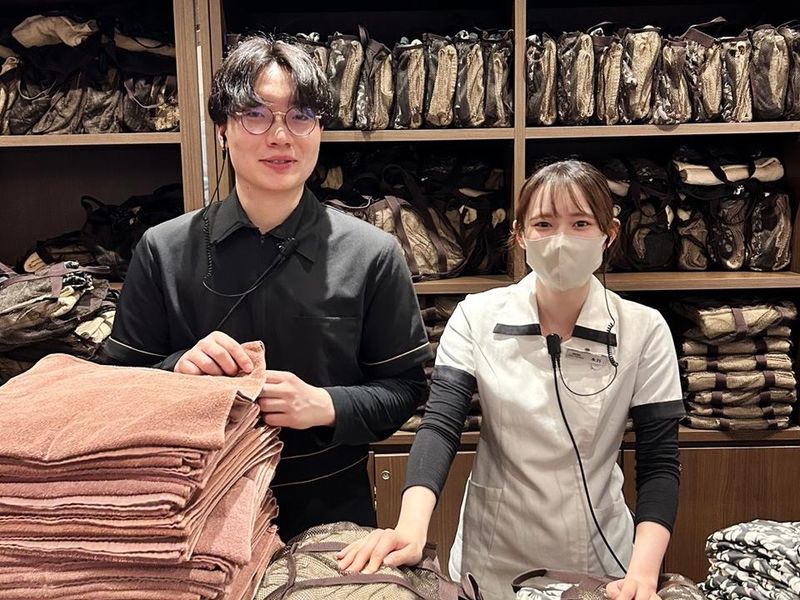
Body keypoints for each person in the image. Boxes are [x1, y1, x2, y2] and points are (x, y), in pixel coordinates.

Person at [100, 36, 432, 540]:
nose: (280, 136)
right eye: (255, 115)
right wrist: (177, 370)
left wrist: (324, 404)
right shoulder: (163, 249)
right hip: (192, 513)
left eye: (301, 116)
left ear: (319, 130)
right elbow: (116, 386)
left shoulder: (372, 253)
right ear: (222, 129)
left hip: (330, 517)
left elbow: (406, 389)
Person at [337, 160, 685, 600]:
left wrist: (643, 574)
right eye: (544, 224)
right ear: (520, 235)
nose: (561, 239)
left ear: (609, 234)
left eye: (580, 223)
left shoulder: (644, 329)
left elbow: (659, 462)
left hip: (600, 561)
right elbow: (441, 426)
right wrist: (410, 527)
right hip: (493, 558)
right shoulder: (476, 316)